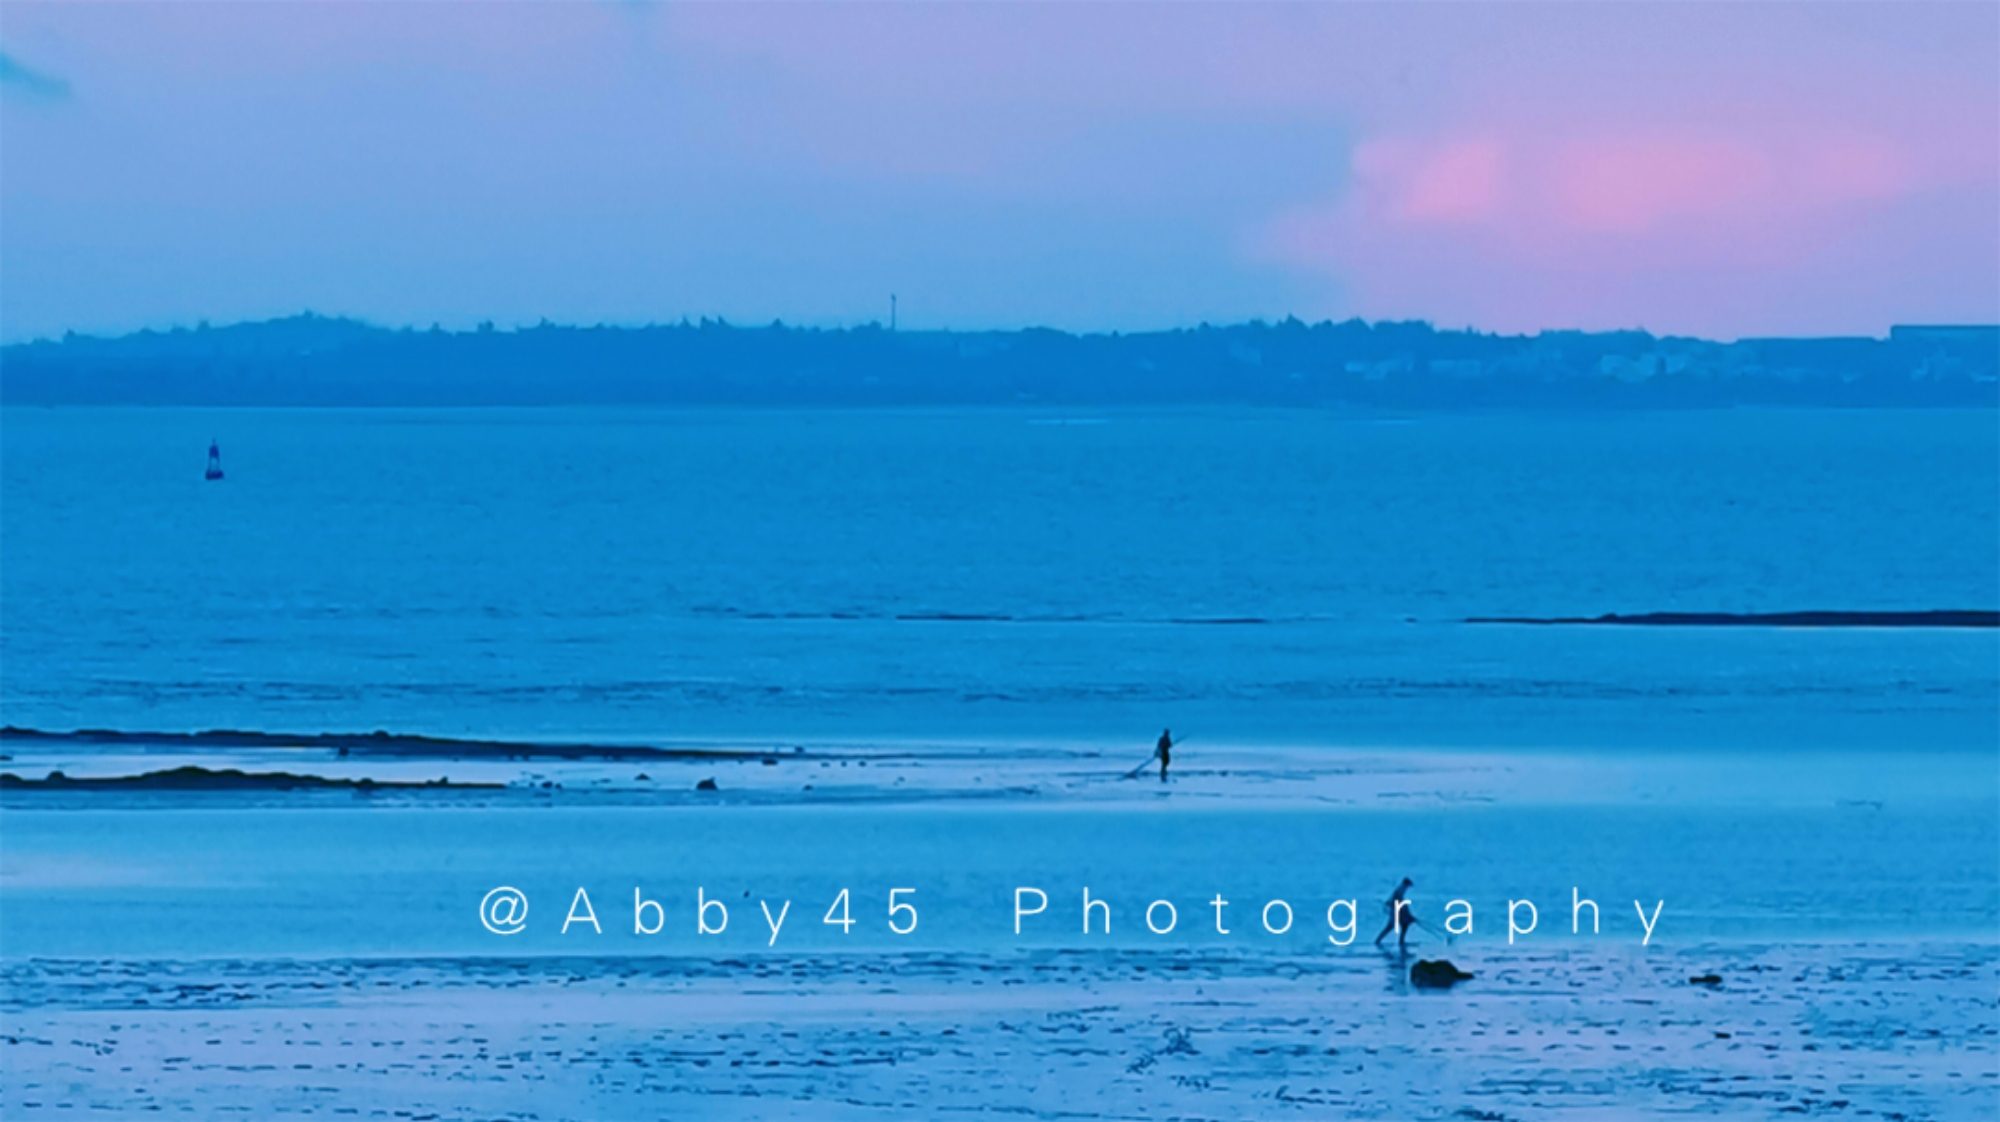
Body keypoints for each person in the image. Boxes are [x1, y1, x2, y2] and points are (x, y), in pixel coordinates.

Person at [1374, 877, 1417, 949]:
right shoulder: (1400, 889)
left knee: (1404, 925)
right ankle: (1378, 941)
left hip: (1396, 910)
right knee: (1391, 926)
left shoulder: (1401, 889)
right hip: (1395, 911)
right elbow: (1397, 900)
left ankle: (1401, 941)